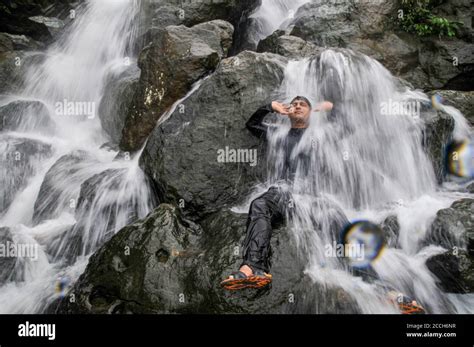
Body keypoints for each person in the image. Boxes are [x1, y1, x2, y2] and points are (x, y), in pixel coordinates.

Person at [220, 96, 332, 290]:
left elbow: (348, 128)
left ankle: (380, 286)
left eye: (302, 104)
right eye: (293, 104)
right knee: (259, 204)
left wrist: (329, 108)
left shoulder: (320, 136)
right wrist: (270, 107)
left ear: (311, 111)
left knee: (337, 217)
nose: (297, 106)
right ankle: (252, 267)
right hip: (283, 192)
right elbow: (252, 124)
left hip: (312, 197)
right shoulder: (277, 134)